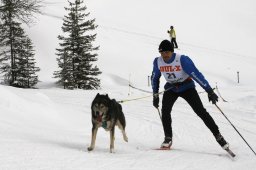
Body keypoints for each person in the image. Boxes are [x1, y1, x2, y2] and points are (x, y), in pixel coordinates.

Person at [151, 39, 229, 149]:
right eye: (162, 53)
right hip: (171, 88)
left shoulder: (182, 60)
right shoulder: (157, 61)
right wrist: (155, 95)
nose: (164, 55)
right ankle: (168, 138)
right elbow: (155, 78)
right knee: (165, 111)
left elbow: (196, 75)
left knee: (200, 111)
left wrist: (209, 91)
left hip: (187, 87)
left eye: (167, 52)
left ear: (172, 51)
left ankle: (218, 135)